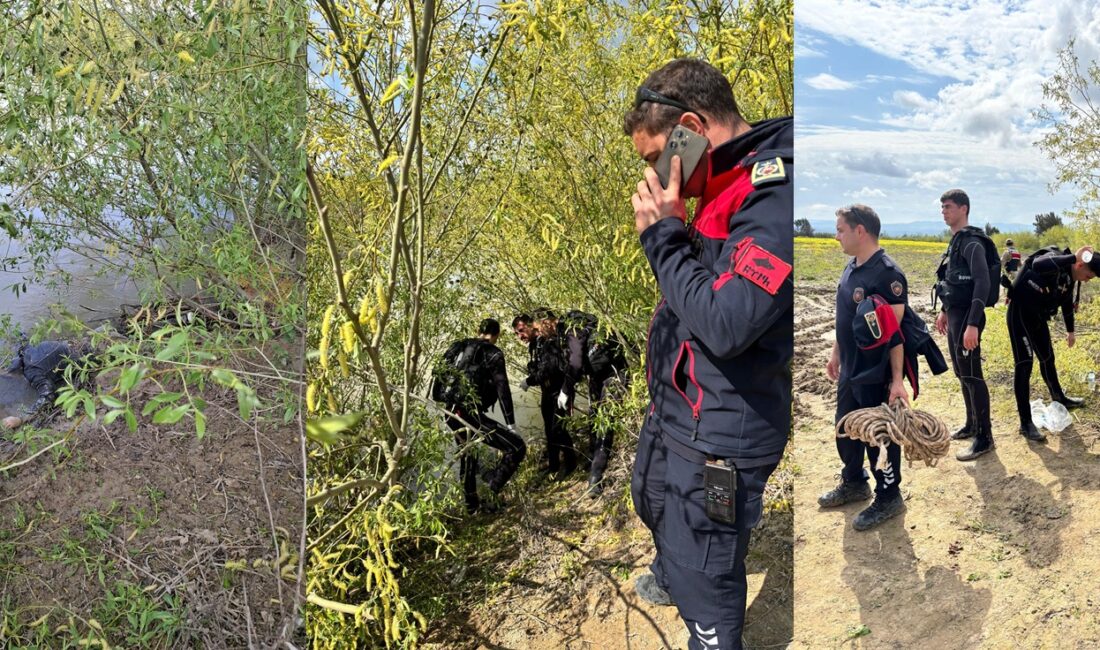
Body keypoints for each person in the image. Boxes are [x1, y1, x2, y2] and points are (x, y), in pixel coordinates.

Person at [625, 58, 792, 649]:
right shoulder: (720, 179)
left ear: (691, 128)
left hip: (721, 434)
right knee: (649, 496)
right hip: (680, 411)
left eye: (653, 157)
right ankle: (675, 570)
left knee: (708, 569)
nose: (651, 173)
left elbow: (728, 323)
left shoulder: (771, 193)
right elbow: (708, 284)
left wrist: (663, 237)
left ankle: (708, 623)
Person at [819, 205, 909, 530]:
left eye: (841, 229)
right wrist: (835, 353)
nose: (836, 235)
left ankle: (889, 496)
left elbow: (896, 336)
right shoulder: (851, 269)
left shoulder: (888, 275)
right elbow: (844, 318)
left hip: (875, 374)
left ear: (861, 231)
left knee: (879, 435)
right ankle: (854, 481)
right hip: (849, 369)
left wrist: (897, 380)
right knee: (846, 427)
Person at [432, 318, 527, 514]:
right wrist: (510, 423)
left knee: (469, 454)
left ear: (478, 330)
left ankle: (471, 507)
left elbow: (438, 377)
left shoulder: (458, 346)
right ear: (497, 335)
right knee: (516, 448)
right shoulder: (493, 353)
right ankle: (491, 495)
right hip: (468, 414)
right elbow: (503, 389)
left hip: (450, 412)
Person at [1005, 246, 1098, 441]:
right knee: (1024, 364)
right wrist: (1072, 257)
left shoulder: (1070, 277)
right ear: (1080, 264)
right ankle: (1026, 423)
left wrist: (1070, 331)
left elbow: (1066, 303)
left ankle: (1059, 397)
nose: (1088, 280)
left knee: (1047, 357)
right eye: (1089, 276)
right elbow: (1038, 264)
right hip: (1020, 313)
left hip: (1037, 316)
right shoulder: (1057, 260)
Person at [934, 189, 995, 461]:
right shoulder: (956, 242)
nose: (943, 211)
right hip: (956, 315)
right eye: (942, 207)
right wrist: (945, 311)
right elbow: (953, 281)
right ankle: (972, 424)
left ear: (963, 208)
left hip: (970, 317)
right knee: (961, 372)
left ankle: (985, 437)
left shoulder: (972, 242)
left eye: (948, 206)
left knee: (972, 373)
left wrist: (973, 324)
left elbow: (982, 282)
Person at [518, 308, 577, 479]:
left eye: (522, 330)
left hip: (559, 390)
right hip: (547, 391)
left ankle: (570, 463)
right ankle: (553, 466)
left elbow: (550, 368)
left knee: (559, 428)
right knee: (549, 430)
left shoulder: (550, 341)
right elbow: (541, 367)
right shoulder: (536, 345)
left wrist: (530, 380)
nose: (520, 336)